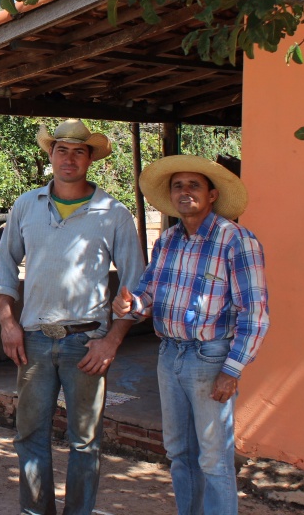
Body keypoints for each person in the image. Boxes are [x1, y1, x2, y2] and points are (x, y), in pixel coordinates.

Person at [0, 119, 145, 515]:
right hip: (35, 340)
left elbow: (136, 286)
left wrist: (112, 340)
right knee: (30, 436)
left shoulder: (113, 213)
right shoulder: (27, 205)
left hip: (87, 342)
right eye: (62, 150)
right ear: (51, 155)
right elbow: (5, 270)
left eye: (79, 151)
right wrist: (9, 323)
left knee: (85, 442)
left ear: (90, 158)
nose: (69, 158)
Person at [114, 155, 269, 515]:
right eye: (178, 186)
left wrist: (232, 369)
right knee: (179, 453)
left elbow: (255, 313)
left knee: (214, 458)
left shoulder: (237, 241)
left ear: (212, 194)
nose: (185, 192)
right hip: (169, 355)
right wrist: (131, 305)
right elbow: (149, 296)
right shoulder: (167, 240)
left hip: (210, 358)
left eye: (193, 185)